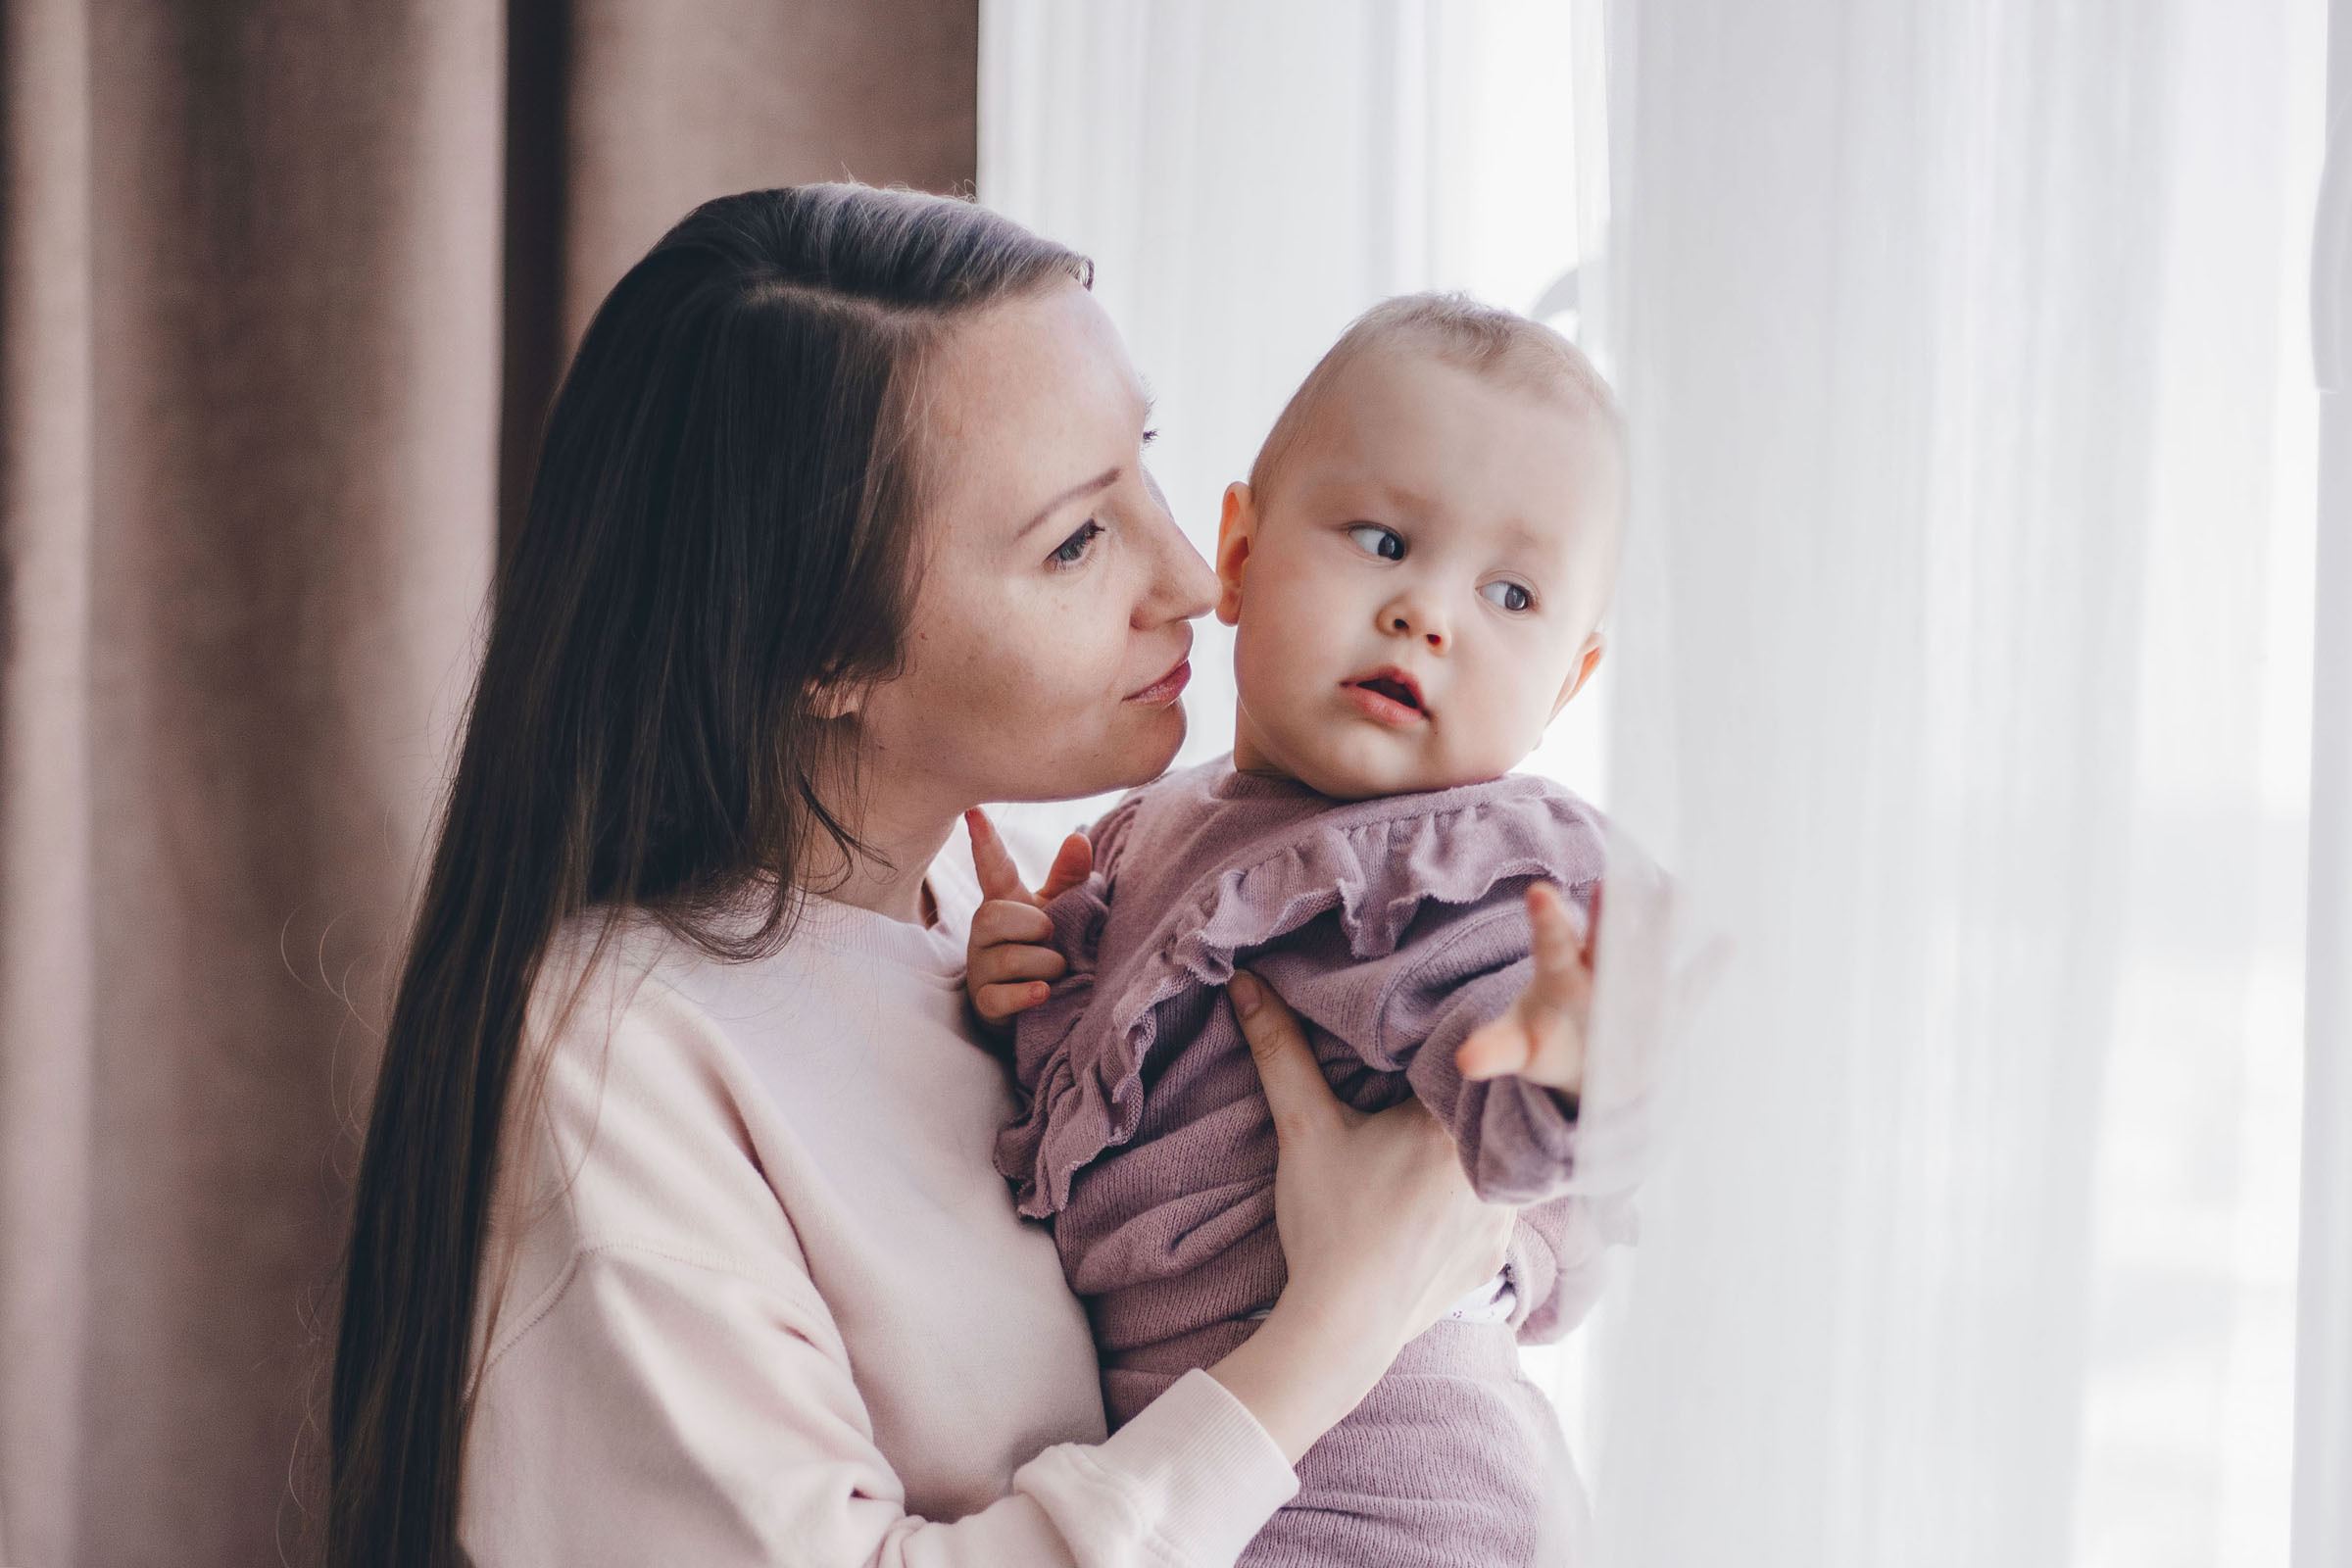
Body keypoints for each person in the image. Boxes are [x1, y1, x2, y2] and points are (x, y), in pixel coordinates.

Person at [325, 184, 1541, 1568]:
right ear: (818, 655)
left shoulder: (1044, 924)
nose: (1198, 578)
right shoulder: (622, 1054)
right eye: (1077, 540)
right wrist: (1333, 1329)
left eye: (1145, 457)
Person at [965, 294, 1637, 1565]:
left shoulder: (1471, 873)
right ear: (1238, 556)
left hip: (1392, 1496)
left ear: (1567, 683)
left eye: (1509, 592)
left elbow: (1501, 1138)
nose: (1427, 614)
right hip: (1206, 1462)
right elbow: (1117, 1083)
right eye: (1384, 539)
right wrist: (1028, 978)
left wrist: (1560, 1064)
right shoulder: (1155, 832)